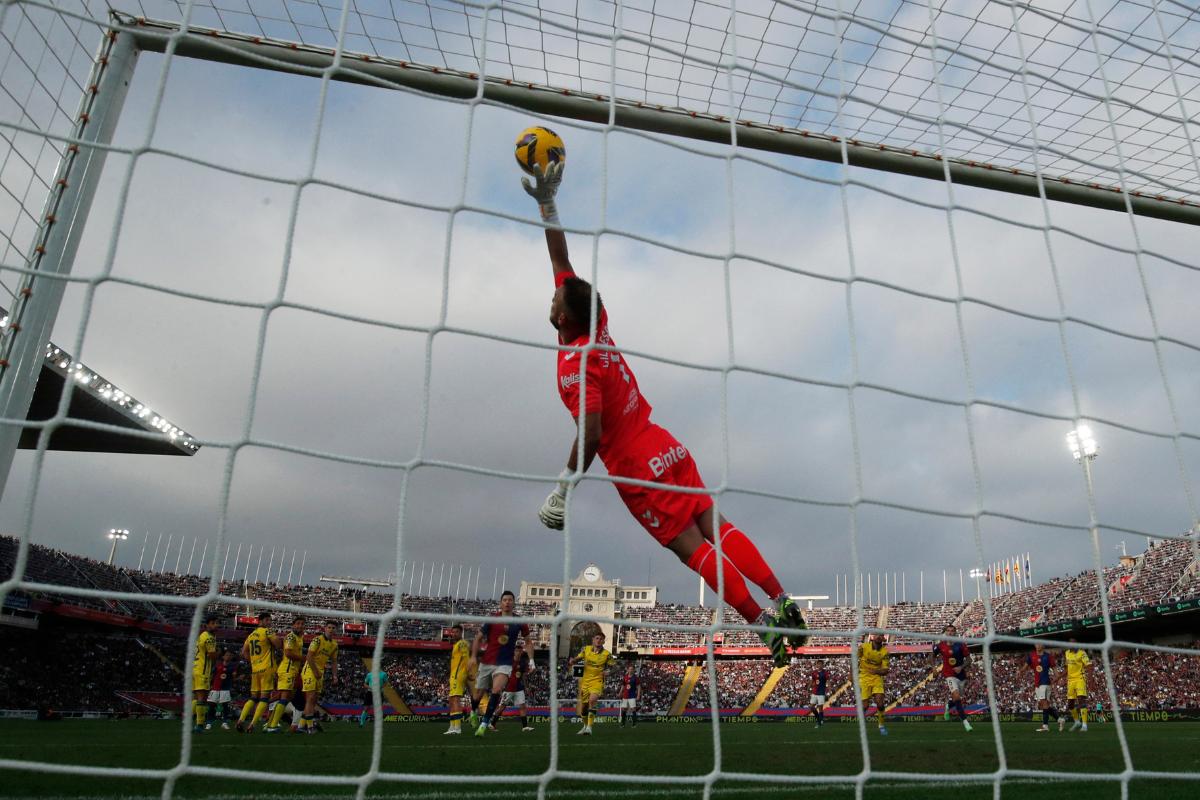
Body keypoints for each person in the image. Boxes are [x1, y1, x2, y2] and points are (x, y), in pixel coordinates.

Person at [522, 163, 806, 667]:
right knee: (718, 523)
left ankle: (764, 627)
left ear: (563, 317)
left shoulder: (575, 365)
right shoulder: (597, 320)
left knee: (692, 549)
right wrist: (548, 203)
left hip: (637, 467)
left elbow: (590, 431)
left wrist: (563, 488)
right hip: (664, 442)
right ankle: (781, 597)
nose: (551, 294)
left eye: (553, 297)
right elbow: (560, 257)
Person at [472, 590, 535, 737]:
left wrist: (531, 660)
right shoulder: (492, 619)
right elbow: (478, 638)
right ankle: (473, 710)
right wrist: (473, 657)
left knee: (496, 690)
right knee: (478, 694)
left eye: (510, 600)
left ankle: (484, 724)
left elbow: (528, 642)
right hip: (487, 661)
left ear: (514, 603)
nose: (507, 602)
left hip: (505, 663)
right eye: (504, 600)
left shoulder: (519, 621)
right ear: (501, 603)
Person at [236, 611, 280, 733]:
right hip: (267, 669)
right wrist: (277, 638)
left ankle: (240, 720)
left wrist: (253, 662)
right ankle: (252, 725)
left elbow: (244, 652)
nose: (269, 622)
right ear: (260, 621)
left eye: (270, 620)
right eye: (267, 620)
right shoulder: (267, 631)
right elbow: (278, 645)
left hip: (255, 670)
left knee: (253, 697)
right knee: (264, 699)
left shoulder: (251, 635)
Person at [567, 631, 615, 736]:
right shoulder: (586, 649)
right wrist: (572, 661)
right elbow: (578, 658)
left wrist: (609, 672)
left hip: (597, 681)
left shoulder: (607, 654)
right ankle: (585, 726)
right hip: (585, 681)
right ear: (593, 640)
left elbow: (615, 666)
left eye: (601, 639)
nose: (598, 640)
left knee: (592, 700)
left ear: (603, 641)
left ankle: (589, 727)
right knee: (583, 708)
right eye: (597, 638)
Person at [265, 616, 305, 733]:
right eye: (297, 623)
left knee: (287, 697)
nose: (300, 626)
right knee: (284, 697)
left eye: (302, 624)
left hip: (292, 671)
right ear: (293, 625)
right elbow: (287, 653)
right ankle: (272, 726)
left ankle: (270, 724)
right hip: (287, 670)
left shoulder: (299, 638)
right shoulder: (291, 637)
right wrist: (304, 658)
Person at [300, 621, 339, 734]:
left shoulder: (335, 645)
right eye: (329, 627)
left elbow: (334, 661)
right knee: (310, 698)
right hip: (310, 670)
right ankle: (310, 727)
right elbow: (309, 657)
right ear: (325, 629)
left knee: (314, 700)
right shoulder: (317, 640)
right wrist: (316, 672)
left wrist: (335, 675)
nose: (331, 629)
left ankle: (301, 726)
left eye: (333, 628)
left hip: (320, 672)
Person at [932, 624, 973, 731]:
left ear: (955, 633)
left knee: (956, 699)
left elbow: (969, 660)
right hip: (948, 674)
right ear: (946, 632)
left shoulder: (961, 645)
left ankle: (948, 706)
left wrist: (961, 667)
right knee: (957, 697)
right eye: (948, 631)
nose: (950, 633)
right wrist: (934, 668)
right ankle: (966, 722)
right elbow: (931, 656)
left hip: (961, 675)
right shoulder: (940, 645)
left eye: (952, 631)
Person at [191, 616, 219, 733]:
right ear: (207, 625)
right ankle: (199, 725)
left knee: (197, 697)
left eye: (216, 623)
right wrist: (219, 653)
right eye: (212, 623)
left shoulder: (201, 635)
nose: (215, 625)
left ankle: (189, 720)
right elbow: (212, 655)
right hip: (202, 670)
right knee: (202, 698)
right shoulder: (209, 637)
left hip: (195, 668)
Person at [494, 649, 534, 732]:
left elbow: (524, 675)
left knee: (522, 706)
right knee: (502, 707)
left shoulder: (522, 663)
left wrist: (526, 686)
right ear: (514, 652)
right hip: (508, 689)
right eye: (517, 651)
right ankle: (492, 724)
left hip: (519, 689)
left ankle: (525, 727)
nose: (518, 652)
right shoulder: (509, 661)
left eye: (520, 651)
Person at [857, 633, 889, 736]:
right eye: (876, 635)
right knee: (865, 706)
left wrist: (876, 671)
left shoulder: (885, 652)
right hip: (863, 678)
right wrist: (851, 673)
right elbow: (854, 658)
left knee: (880, 703)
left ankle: (881, 725)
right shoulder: (864, 647)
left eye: (881, 635)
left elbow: (885, 670)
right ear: (872, 637)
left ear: (883, 638)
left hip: (876, 678)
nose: (879, 636)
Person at [1027, 642, 1063, 733]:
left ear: (1043, 646)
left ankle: (1045, 726)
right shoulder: (1032, 656)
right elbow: (1026, 666)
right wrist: (1020, 672)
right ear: (1034, 645)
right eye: (1036, 644)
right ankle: (1059, 719)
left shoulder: (1048, 656)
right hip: (1037, 684)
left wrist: (1058, 678)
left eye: (1040, 644)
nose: (1038, 646)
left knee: (1044, 703)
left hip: (1045, 682)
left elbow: (1054, 668)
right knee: (1043, 704)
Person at [445, 623, 470, 735]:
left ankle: (457, 728)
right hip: (453, 675)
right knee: (451, 700)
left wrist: (467, 673)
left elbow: (466, 659)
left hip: (458, 675)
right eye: (453, 632)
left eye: (456, 632)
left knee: (455, 700)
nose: (454, 634)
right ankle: (452, 727)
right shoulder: (456, 645)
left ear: (461, 633)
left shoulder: (462, 643)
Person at [1064, 638, 1091, 732]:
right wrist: (1059, 678)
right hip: (1070, 681)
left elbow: (1089, 665)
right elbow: (1067, 668)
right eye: (1071, 643)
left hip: (1080, 679)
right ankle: (1077, 721)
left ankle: (1084, 725)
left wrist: (1091, 679)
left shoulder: (1082, 653)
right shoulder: (1067, 653)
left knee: (1081, 700)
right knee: (1070, 704)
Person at [207, 650, 235, 729]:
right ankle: (209, 722)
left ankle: (224, 722)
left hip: (225, 689)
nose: (228, 656)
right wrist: (209, 685)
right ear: (223, 657)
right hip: (215, 688)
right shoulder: (217, 665)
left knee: (225, 706)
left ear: (231, 657)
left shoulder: (232, 667)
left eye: (230, 655)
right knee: (212, 705)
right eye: (227, 655)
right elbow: (212, 675)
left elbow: (234, 677)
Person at [619, 661, 641, 727]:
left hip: (632, 696)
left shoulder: (635, 678)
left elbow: (639, 687)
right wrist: (620, 692)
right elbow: (623, 685)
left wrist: (638, 695)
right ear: (628, 669)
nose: (630, 670)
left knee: (633, 709)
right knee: (623, 709)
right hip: (625, 695)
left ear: (634, 670)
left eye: (632, 669)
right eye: (629, 669)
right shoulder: (625, 677)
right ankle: (623, 724)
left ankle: (634, 724)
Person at [808, 660, 828, 728]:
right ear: (816, 665)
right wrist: (809, 686)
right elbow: (812, 680)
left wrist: (830, 687)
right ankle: (819, 719)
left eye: (820, 664)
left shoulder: (825, 672)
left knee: (820, 708)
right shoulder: (814, 672)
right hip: (814, 692)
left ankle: (819, 722)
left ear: (822, 665)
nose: (819, 665)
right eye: (818, 664)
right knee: (811, 707)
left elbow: (828, 680)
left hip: (821, 692)